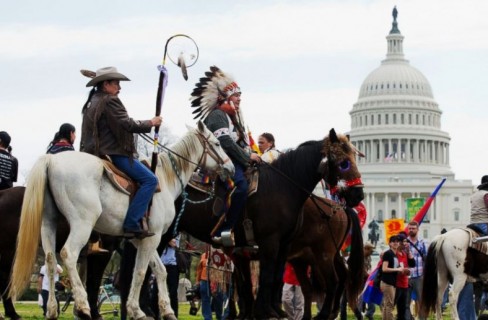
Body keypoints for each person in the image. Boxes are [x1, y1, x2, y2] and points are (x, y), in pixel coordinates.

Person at [80, 66, 163, 239]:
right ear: (106, 85)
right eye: (116, 83)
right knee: (150, 180)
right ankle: (132, 223)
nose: (119, 87)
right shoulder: (110, 100)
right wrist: (151, 122)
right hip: (113, 153)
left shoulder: (92, 101)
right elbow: (127, 124)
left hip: (92, 152)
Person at [190, 66, 261, 245]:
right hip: (220, 162)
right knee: (242, 186)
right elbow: (226, 143)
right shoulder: (218, 115)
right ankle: (226, 229)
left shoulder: (232, 119)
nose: (239, 99)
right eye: (236, 96)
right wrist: (247, 158)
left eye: (240, 96)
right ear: (226, 98)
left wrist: (252, 154)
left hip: (234, 160)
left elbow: (240, 143)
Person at [196, 247, 233, 320]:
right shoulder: (204, 255)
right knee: (205, 300)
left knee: (218, 299)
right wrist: (198, 281)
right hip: (204, 279)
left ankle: (219, 317)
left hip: (217, 280)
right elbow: (200, 268)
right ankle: (208, 318)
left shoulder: (223, 255)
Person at [151, 236, 180, 318]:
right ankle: (155, 316)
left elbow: (174, 243)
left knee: (173, 293)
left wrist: (165, 238)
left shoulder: (175, 232)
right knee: (155, 293)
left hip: (172, 267)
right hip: (160, 266)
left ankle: (174, 316)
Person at [380, 235, 406, 320]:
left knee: (386, 305)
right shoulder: (388, 253)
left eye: (397, 241)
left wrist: (401, 270)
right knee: (389, 305)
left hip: (391, 282)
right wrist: (397, 269)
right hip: (387, 282)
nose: (395, 243)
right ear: (390, 243)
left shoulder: (394, 255)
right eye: (393, 241)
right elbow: (384, 268)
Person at [406, 220, 428, 320]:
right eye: (409, 228)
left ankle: (422, 319)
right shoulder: (404, 243)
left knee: (421, 301)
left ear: (418, 230)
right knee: (406, 302)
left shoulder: (423, 243)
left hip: (419, 276)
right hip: (407, 277)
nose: (411, 230)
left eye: (413, 228)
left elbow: (426, 259)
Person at [395, 233, 415, 320]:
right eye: (403, 242)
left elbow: (412, 264)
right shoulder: (394, 254)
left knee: (403, 307)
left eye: (406, 242)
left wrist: (409, 251)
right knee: (392, 305)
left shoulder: (404, 253)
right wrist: (402, 270)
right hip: (396, 284)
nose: (405, 244)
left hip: (405, 284)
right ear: (398, 242)